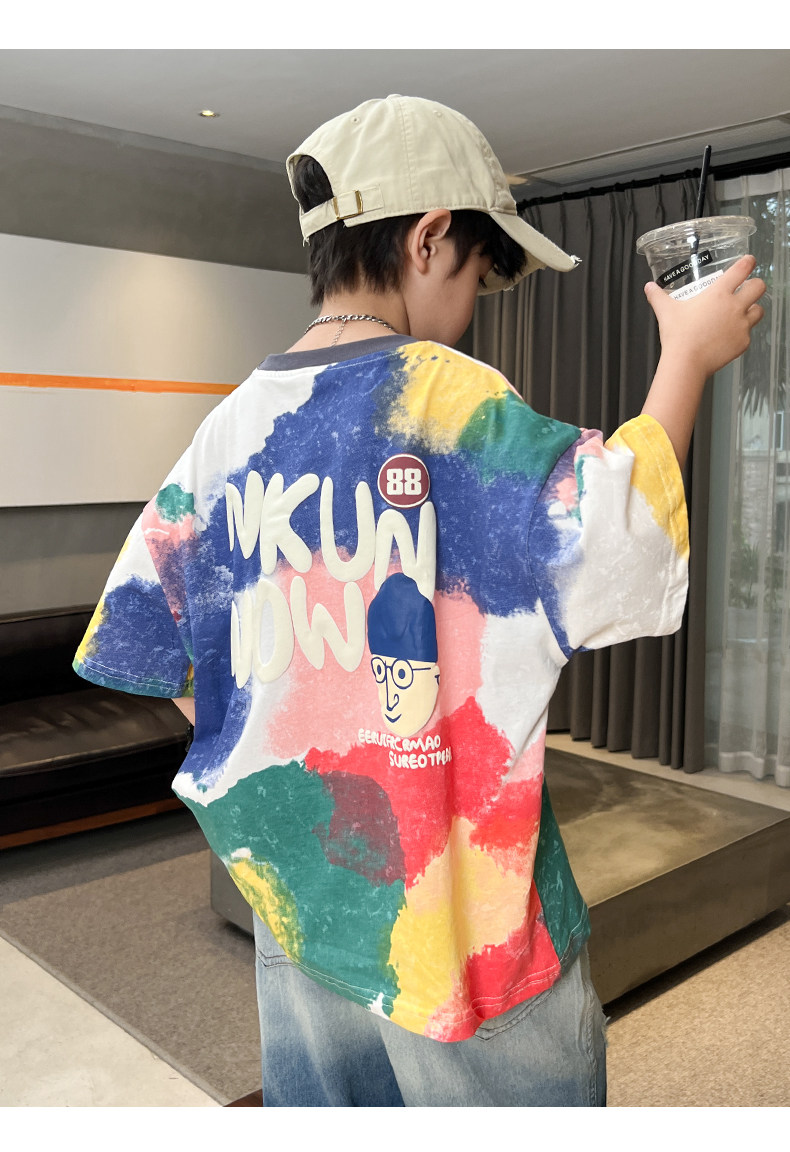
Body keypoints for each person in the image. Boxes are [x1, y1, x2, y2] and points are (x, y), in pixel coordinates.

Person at [73, 94, 765, 1107]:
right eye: (479, 274)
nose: (473, 303)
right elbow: (616, 538)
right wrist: (688, 359)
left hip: (304, 907)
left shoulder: (230, 428)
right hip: (464, 922)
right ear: (430, 238)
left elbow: (155, 645)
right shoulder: (447, 396)